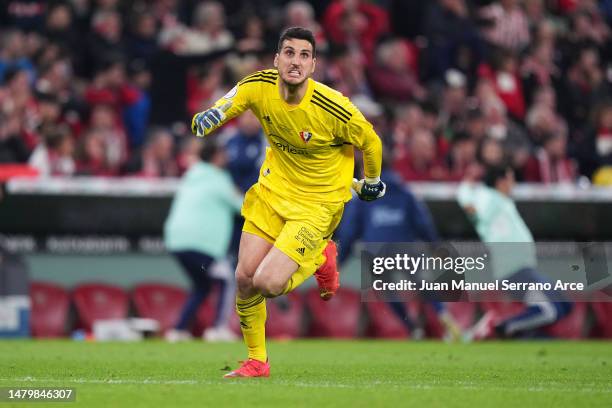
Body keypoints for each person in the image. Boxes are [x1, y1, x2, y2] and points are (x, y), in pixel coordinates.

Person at [191, 27, 385, 378]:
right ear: (277, 58)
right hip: (272, 194)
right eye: (290, 53)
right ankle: (257, 361)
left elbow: (370, 141)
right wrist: (212, 116)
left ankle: (321, 256)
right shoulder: (260, 84)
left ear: (313, 65)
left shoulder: (333, 107)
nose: (296, 61)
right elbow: (230, 102)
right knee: (245, 278)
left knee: (268, 283)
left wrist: (371, 181)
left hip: (316, 205)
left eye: (304, 55)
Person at [457, 165, 572, 340]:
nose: (514, 183)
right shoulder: (488, 198)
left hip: (525, 268)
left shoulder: (502, 201)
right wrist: (466, 186)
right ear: (500, 182)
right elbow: (469, 204)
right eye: (511, 178)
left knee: (564, 305)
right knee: (548, 310)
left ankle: (523, 335)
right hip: (512, 269)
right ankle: (500, 327)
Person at [164, 137, 242, 342]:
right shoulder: (219, 178)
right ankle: (218, 329)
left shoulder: (192, 174)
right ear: (216, 157)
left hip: (175, 241)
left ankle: (178, 331)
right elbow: (243, 207)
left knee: (202, 286)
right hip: (201, 243)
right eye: (222, 154)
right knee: (226, 277)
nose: (226, 157)